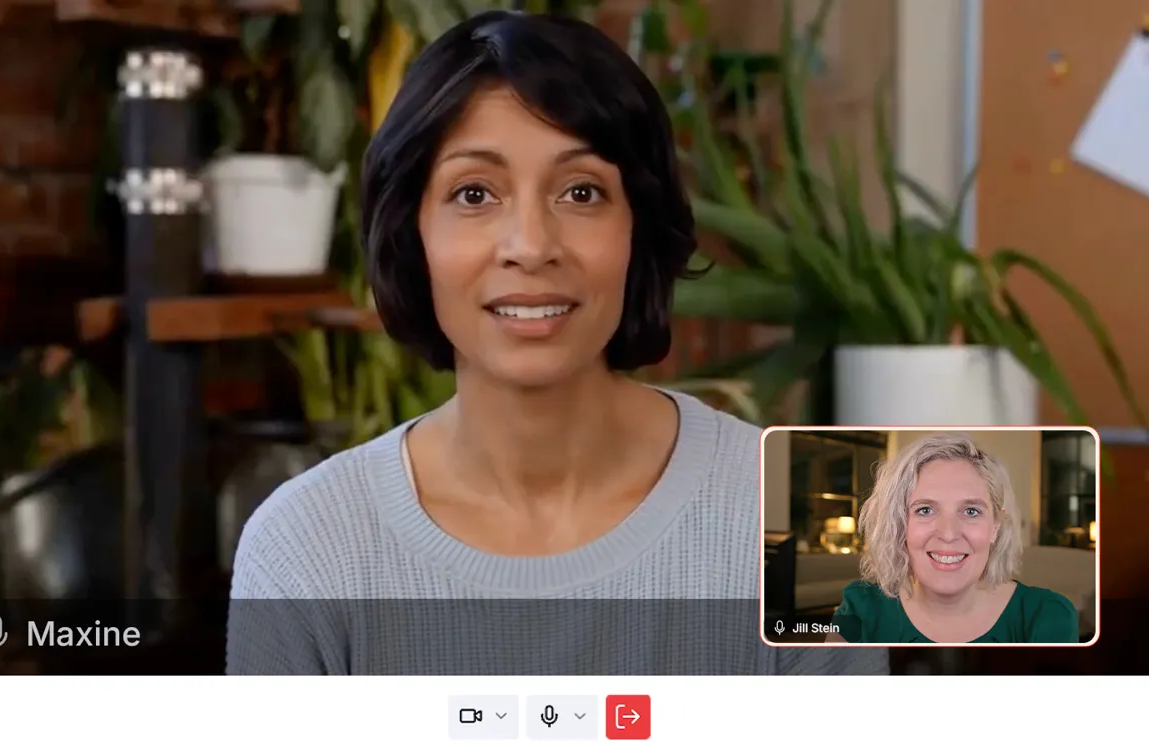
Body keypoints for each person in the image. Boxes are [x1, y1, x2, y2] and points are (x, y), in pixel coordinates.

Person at [227, 10, 886, 676]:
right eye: (475, 193)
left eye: (581, 191)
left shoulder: (806, 518)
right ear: (411, 234)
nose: (531, 246)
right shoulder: (306, 545)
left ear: (640, 226)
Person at [827, 433, 1080, 644]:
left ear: (995, 527)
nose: (948, 534)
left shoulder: (1048, 615)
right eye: (925, 510)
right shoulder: (861, 609)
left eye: (971, 511)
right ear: (900, 525)